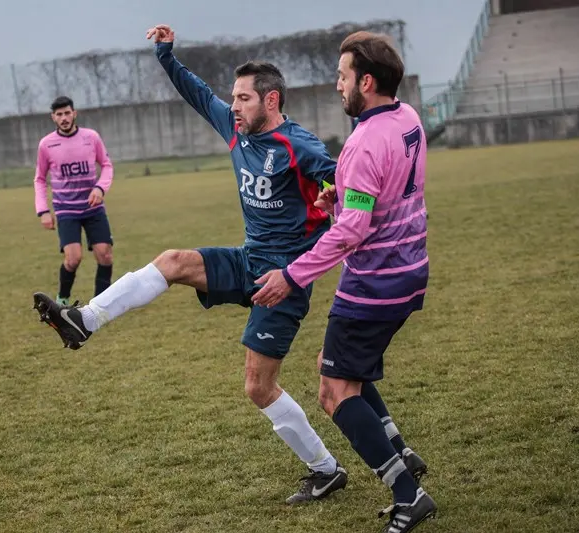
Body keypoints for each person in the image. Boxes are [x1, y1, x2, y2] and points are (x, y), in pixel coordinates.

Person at [33, 23, 349, 504]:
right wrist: (166, 55)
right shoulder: (235, 130)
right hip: (248, 261)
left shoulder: (298, 146)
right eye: (233, 97)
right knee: (174, 261)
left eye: (243, 98)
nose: (233, 106)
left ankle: (325, 469)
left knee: (258, 387)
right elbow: (196, 92)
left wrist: (331, 202)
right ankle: (84, 320)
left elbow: (345, 194)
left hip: (281, 281)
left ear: (271, 100)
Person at [252, 31, 437, 532]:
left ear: (367, 81)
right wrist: (346, 198)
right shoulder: (409, 119)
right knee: (338, 367)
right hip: (410, 271)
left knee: (334, 392)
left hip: (374, 282)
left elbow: (353, 231)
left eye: (343, 76)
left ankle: (407, 492)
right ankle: (402, 452)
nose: (337, 85)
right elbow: (384, 194)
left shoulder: (359, 143)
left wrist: (291, 275)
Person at [34, 96, 115, 305]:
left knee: (105, 254)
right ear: (53, 117)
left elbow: (106, 165)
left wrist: (100, 188)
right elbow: (40, 179)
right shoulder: (46, 145)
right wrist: (43, 210)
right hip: (66, 209)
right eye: (59, 114)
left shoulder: (91, 137)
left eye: (67, 113)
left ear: (74, 113)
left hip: (93, 207)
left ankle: (101, 304)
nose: (64, 118)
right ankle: (62, 299)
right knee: (73, 258)